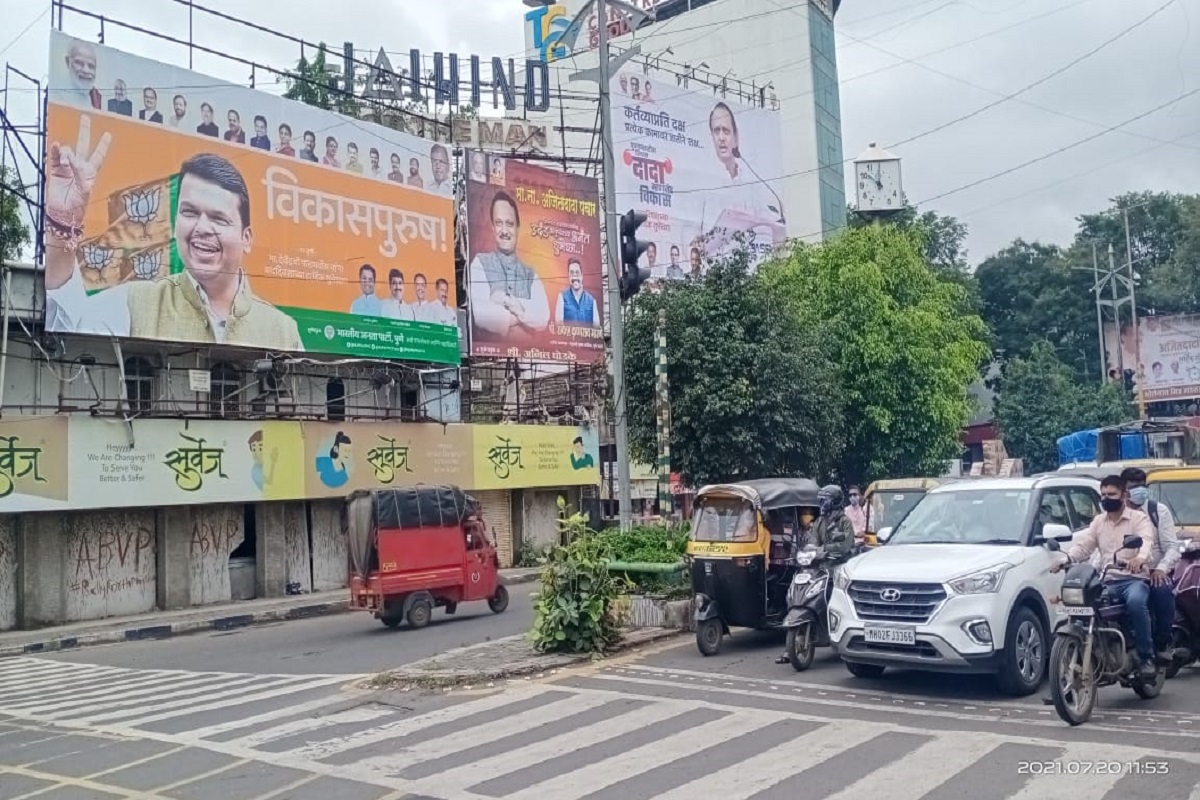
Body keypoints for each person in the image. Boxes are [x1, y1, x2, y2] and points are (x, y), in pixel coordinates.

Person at [43, 117, 303, 350]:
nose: (201, 228)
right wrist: (64, 222)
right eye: (190, 212)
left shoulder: (283, 330)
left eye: (217, 218)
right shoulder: (137, 302)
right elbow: (68, 320)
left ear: (247, 238)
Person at [1050, 474, 1157, 679]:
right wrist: (1066, 559)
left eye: (1112, 494)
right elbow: (1085, 546)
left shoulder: (1138, 518)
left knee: (1136, 602)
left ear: (1124, 495)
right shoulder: (1099, 521)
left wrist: (1139, 558)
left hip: (1133, 579)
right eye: (1104, 494)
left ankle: (1146, 657)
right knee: (1084, 604)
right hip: (1108, 580)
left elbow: (1145, 542)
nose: (1107, 498)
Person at [468, 191, 550, 337]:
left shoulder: (531, 274)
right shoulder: (480, 263)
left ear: (518, 228)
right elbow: (480, 314)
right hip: (489, 357)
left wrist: (508, 302)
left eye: (510, 224)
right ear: (493, 228)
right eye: (499, 223)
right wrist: (520, 315)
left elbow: (543, 317)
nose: (504, 231)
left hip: (529, 358)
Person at [1121, 467, 1181, 662]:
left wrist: (1160, 569)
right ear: (1124, 491)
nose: (1139, 491)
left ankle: (1162, 643)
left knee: (1163, 591)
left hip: (1154, 572)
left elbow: (1172, 547)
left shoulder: (1157, 511)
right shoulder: (1117, 513)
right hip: (1123, 575)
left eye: (1141, 486)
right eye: (1133, 487)